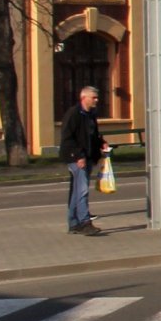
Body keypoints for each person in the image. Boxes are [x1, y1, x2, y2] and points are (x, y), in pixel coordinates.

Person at [59, 83, 108, 237]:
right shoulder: (73, 114)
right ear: (83, 98)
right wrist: (78, 156)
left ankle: (74, 223)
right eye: (93, 97)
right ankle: (85, 222)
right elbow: (67, 138)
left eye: (97, 97)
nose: (96, 100)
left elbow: (93, 135)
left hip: (87, 156)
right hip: (76, 158)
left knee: (76, 191)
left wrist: (102, 143)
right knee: (82, 190)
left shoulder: (91, 115)